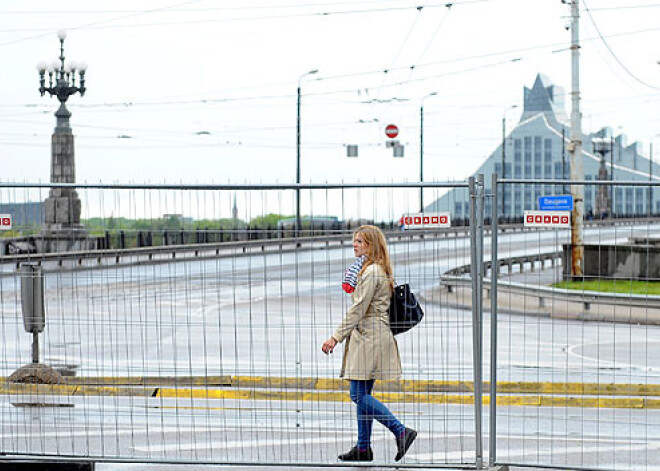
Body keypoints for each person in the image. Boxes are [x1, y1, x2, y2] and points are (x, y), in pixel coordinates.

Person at [321, 225, 417, 462]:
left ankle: (400, 431)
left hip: (370, 337)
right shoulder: (372, 269)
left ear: (372, 246)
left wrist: (335, 336)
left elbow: (358, 309)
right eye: (354, 241)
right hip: (370, 336)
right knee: (363, 393)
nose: (355, 245)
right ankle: (363, 448)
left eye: (361, 242)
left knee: (357, 395)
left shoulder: (372, 272)